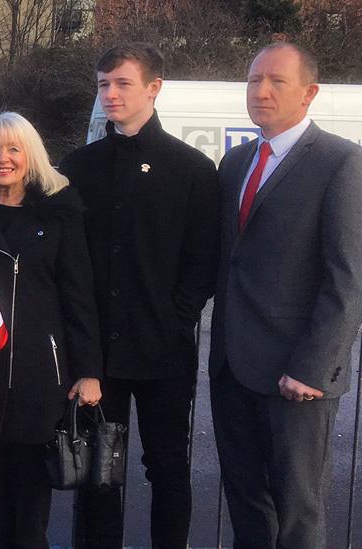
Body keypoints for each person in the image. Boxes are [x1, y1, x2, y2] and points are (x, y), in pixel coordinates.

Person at [58, 43, 220, 549]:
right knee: (97, 473)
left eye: (122, 83)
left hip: (163, 352)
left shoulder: (191, 168)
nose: (110, 93)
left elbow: (204, 259)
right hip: (96, 355)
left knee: (168, 469)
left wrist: (176, 318)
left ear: (154, 87)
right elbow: (68, 261)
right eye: (103, 83)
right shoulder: (78, 166)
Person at [210, 42, 362, 549]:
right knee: (247, 505)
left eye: (276, 81)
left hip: (296, 377)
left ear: (310, 92)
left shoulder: (341, 163)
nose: (261, 91)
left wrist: (314, 367)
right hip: (232, 369)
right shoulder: (234, 162)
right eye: (254, 80)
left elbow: (347, 278)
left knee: (298, 513)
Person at [0, 112, 102, 549]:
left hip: (41, 378)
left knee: (29, 512)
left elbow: (79, 296)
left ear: (30, 155)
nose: (3, 159)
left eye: (13, 149)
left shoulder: (60, 215)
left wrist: (89, 370)